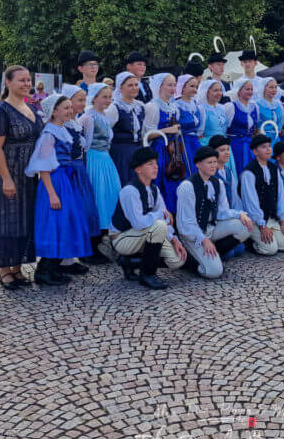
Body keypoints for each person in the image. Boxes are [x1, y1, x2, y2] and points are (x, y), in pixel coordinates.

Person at [0, 65, 43, 289]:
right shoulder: (1, 111)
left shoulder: (30, 108)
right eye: (21, 80)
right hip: (8, 170)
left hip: (28, 174)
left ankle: (18, 267)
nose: (27, 84)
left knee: (25, 217)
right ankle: (4, 269)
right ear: (8, 82)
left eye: (28, 80)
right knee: (6, 218)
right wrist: (6, 178)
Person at [27, 94, 100, 285]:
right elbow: (43, 167)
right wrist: (52, 194)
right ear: (54, 111)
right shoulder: (49, 134)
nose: (69, 111)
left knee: (65, 223)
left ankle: (54, 267)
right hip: (55, 181)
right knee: (55, 223)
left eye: (70, 107)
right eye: (65, 108)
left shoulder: (60, 130)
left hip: (66, 180)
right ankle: (44, 271)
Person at [109, 147, 186, 289]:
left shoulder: (154, 189)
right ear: (138, 169)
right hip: (122, 237)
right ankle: (148, 274)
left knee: (177, 260)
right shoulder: (130, 191)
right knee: (159, 225)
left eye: (156, 163)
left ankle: (130, 261)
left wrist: (174, 238)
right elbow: (139, 223)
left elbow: (166, 219)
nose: (156, 167)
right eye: (150, 164)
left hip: (145, 233)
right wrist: (161, 216)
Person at [176, 145, 256, 277]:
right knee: (214, 272)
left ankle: (214, 253)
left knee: (246, 226)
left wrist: (240, 214)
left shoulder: (217, 183)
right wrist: (204, 240)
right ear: (198, 164)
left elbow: (222, 212)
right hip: (192, 234)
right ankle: (191, 261)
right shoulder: (187, 187)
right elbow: (186, 223)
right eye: (209, 162)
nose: (213, 166)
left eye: (214, 162)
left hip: (211, 228)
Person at [80, 83, 121, 263]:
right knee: (98, 199)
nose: (108, 100)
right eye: (104, 97)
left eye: (110, 97)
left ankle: (101, 239)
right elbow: (86, 145)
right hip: (95, 160)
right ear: (94, 97)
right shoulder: (88, 117)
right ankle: (90, 246)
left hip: (106, 160)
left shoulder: (104, 116)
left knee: (109, 199)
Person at [238, 134, 284, 256]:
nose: (268, 149)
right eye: (264, 147)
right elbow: (250, 203)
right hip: (254, 220)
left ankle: (270, 234)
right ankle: (250, 242)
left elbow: (281, 195)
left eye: (269, 146)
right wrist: (262, 225)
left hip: (271, 218)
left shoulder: (273, 168)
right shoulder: (249, 172)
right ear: (255, 151)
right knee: (270, 249)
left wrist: (283, 221)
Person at [144, 72, 187, 213]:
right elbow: (147, 135)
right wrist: (169, 130)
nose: (173, 88)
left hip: (174, 150)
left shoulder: (174, 107)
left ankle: (176, 213)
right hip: (159, 150)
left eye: (174, 84)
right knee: (161, 180)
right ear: (160, 86)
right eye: (169, 85)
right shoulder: (152, 107)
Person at [107, 72, 145, 184]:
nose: (134, 88)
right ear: (121, 88)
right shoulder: (114, 108)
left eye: (136, 85)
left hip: (137, 152)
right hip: (121, 153)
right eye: (130, 85)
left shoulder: (140, 106)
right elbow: (106, 132)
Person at [174, 74, 203, 170]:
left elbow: (200, 128)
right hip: (182, 143)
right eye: (192, 86)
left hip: (195, 142)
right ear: (182, 87)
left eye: (196, 87)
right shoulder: (176, 106)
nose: (195, 89)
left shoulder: (197, 105)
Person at [253, 77, 284, 145]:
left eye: (275, 87)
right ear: (263, 88)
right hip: (262, 141)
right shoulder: (256, 105)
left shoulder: (278, 104)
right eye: (271, 87)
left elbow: (280, 122)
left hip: (276, 140)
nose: (274, 90)